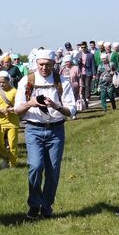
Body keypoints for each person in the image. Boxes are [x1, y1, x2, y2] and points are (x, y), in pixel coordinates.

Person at [13, 48, 76, 219]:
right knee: (35, 166)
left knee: (53, 171)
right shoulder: (27, 81)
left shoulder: (62, 81)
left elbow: (71, 110)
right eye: (41, 64)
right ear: (36, 64)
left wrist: (56, 106)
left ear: (54, 64)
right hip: (34, 129)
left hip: (56, 129)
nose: (44, 68)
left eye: (48, 65)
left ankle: (46, 206)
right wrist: (31, 103)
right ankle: (34, 204)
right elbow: (18, 109)